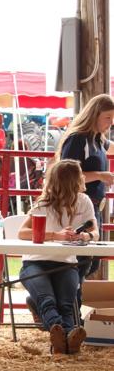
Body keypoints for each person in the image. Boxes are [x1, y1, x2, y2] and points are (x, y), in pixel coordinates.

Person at [18, 159, 98, 357]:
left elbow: (94, 231)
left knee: (65, 303)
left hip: (66, 261)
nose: (83, 177)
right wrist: (56, 235)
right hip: (35, 261)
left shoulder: (84, 201)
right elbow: (23, 232)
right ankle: (68, 337)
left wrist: (85, 236)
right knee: (48, 301)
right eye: (80, 174)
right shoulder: (43, 203)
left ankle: (61, 340)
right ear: (71, 180)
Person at [56, 93, 114, 277]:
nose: (111, 122)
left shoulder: (97, 139)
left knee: (90, 261)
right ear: (94, 115)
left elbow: (110, 146)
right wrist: (99, 175)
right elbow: (66, 174)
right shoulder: (78, 139)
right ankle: (69, 301)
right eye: (108, 118)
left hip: (93, 205)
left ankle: (71, 300)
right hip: (78, 205)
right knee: (82, 261)